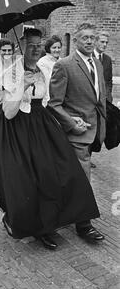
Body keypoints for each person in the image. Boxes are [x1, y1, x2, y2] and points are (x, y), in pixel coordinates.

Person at [0, 30, 100, 250]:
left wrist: (71, 119)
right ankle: (36, 228)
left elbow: (48, 102)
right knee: (26, 180)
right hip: (16, 128)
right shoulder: (10, 72)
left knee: (59, 170)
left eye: (39, 45)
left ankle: (69, 223)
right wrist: (22, 85)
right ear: (22, 46)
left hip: (40, 123)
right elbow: (8, 112)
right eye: (31, 45)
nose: (36, 48)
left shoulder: (43, 69)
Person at [48, 22, 106, 243]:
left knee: (72, 178)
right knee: (84, 179)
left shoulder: (98, 63)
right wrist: (72, 123)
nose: (90, 41)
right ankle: (84, 225)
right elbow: (54, 104)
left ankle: (62, 213)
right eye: (85, 38)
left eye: (93, 37)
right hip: (76, 134)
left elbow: (99, 98)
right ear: (76, 40)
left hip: (95, 131)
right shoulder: (64, 65)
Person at [37, 35, 62, 104]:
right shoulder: (42, 62)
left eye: (59, 47)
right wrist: (48, 101)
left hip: (61, 98)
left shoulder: (62, 61)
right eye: (54, 48)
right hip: (49, 99)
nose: (57, 50)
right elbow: (47, 81)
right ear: (48, 48)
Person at [93, 30, 113, 103]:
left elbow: (109, 81)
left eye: (106, 42)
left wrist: (108, 96)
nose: (105, 44)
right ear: (95, 42)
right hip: (90, 99)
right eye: (102, 42)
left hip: (104, 100)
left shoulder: (108, 59)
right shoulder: (89, 57)